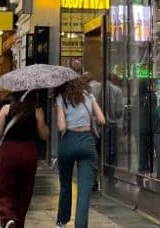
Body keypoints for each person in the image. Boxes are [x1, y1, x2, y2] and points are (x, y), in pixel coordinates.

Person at [0, 90, 50, 228]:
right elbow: (44, 135)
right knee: (25, 190)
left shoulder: (6, 109)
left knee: (4, 187)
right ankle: (19, 222)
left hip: (9, 152)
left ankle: (8, 218)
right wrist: (41, 119)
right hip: (29, 152)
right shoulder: (36, 112)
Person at [55, 77, 106, 228]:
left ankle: (62, 221)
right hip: (87, 142)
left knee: (65, 184)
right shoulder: (89, 96)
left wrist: (62, 112)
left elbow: (61, 126)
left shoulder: (60, 97)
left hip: (68, 142)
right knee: (84, 190)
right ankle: (80, 225)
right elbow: (102, 119)